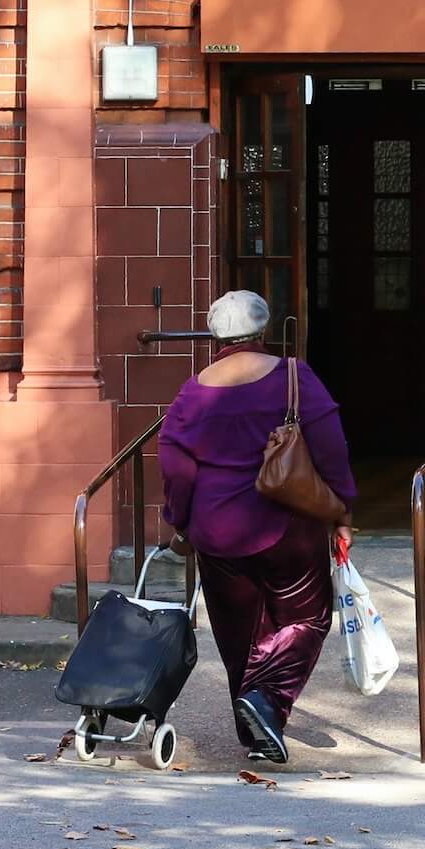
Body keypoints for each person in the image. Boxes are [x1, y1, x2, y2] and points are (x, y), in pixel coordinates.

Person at [158, 290, 355, 764]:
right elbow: (330, 446)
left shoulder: (193, 390)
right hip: (288, 525)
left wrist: (179, 521)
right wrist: (342, 510)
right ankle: (266, 704)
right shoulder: (292, 375)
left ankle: (258, 731)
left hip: (216, 532)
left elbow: (176, 469)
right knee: (308, 618)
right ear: (262, 332)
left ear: (215, 336)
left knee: (238, 636)